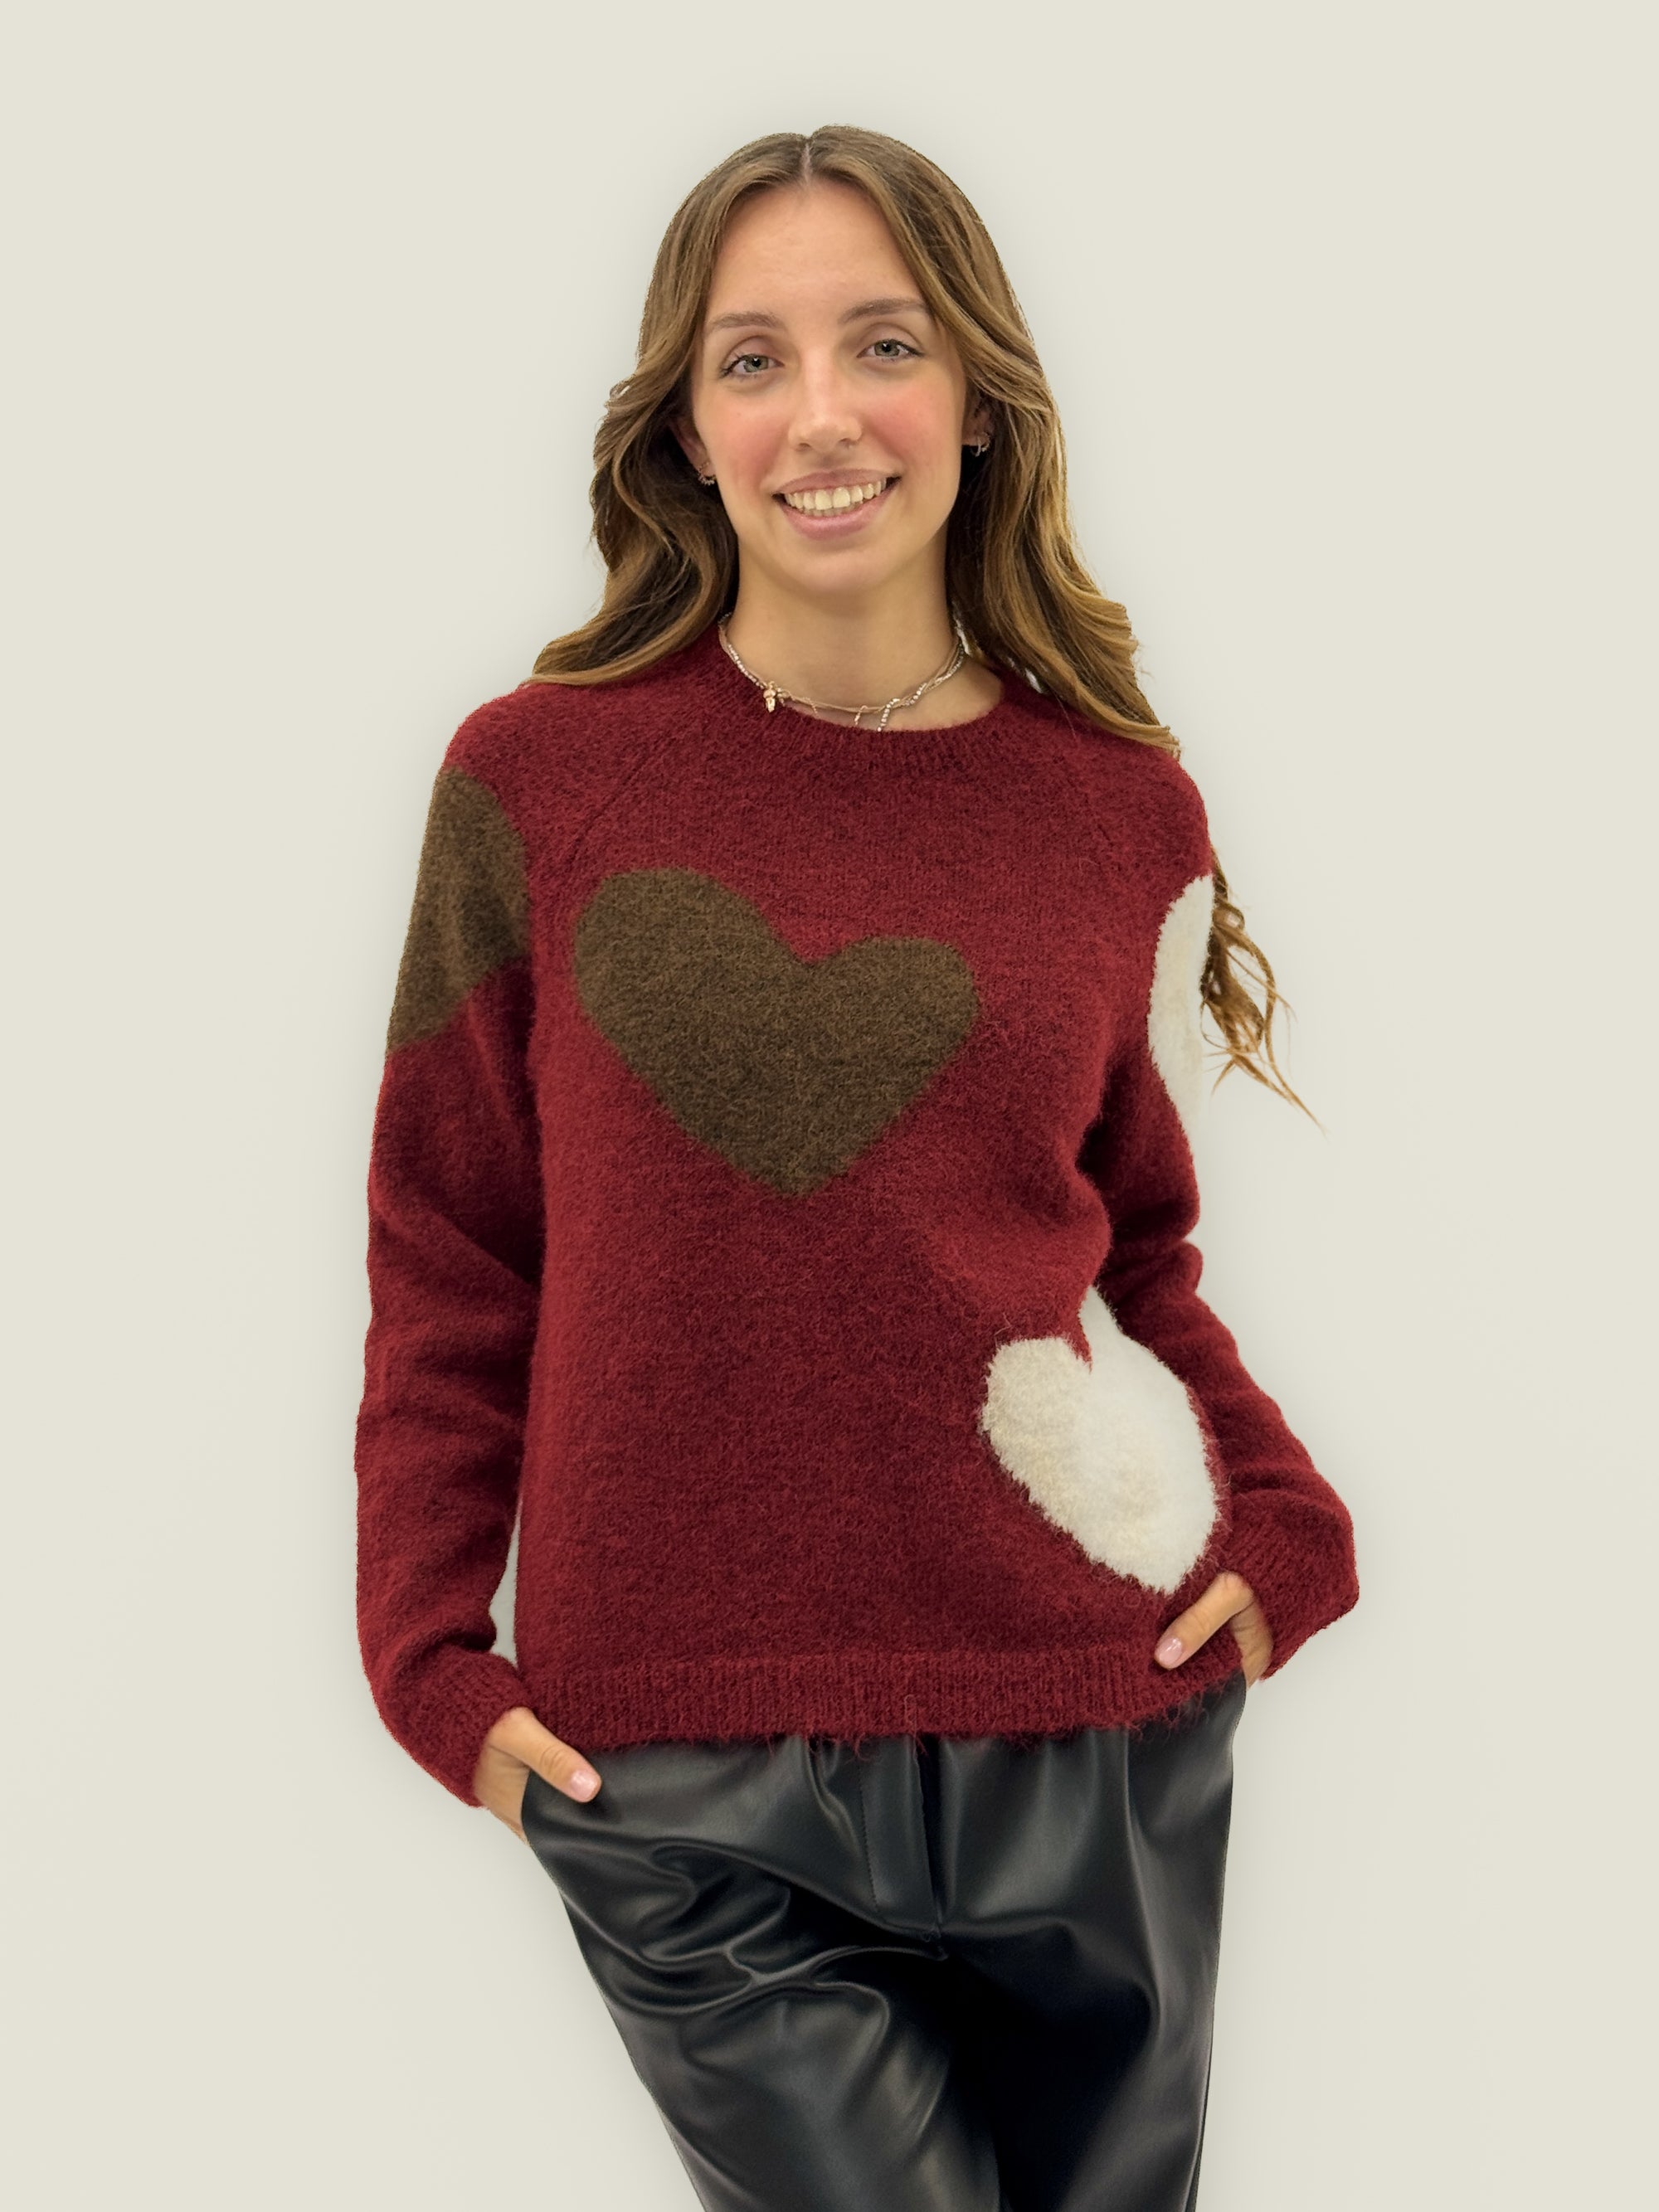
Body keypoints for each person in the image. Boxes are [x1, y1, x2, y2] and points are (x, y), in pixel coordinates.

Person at [354, 124, 1360, 2212]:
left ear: (974, 399)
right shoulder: (533, 783)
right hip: (684, 1763)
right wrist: (425, 1647)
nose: (820, 412)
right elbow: (452, 1247)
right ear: (686, 426)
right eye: (753, 359)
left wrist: (1282, 1512)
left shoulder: (1119, 810)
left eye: (882, 343)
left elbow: (1135, 1248)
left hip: (1092, 1717)